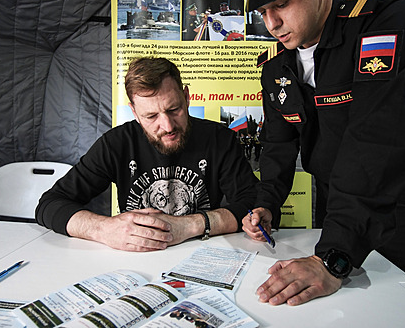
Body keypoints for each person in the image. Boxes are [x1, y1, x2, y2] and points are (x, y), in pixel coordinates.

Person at [224, 0, 405, 305]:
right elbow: (278, 143)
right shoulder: (276, 65)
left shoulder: (382, 24)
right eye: (263, 11)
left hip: (387, 208)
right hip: (332, 205)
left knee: (389, 310)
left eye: (283, 2)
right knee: (334, 313)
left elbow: (378, 142)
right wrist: (266, 205)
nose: (271, 24)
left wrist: (332, 257)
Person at [35, 57, 258, 251]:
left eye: (174, 110)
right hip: (135, 260)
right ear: (135, 112)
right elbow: (50, 205)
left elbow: (254, 206)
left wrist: (191, 225)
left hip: (203, 254)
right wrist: (103, 229)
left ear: (187, 96)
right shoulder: (117, 143)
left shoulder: (218, 138)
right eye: (151, 116)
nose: (168, 126)